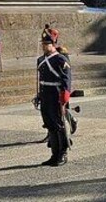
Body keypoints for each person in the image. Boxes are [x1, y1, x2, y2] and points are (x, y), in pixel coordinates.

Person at [35, 33, 72, 166]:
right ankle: (54, 154)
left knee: (58, 125)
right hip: (45, 95)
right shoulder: (40, 60)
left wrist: (64, 97)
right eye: (43, 44)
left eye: (47, 44)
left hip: (56, 95)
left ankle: (62, 153)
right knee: (50, 125)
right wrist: (39, 95)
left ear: (53, 44)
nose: (44, 46)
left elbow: (66, 79)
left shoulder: (60, 59)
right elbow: (40, 80)